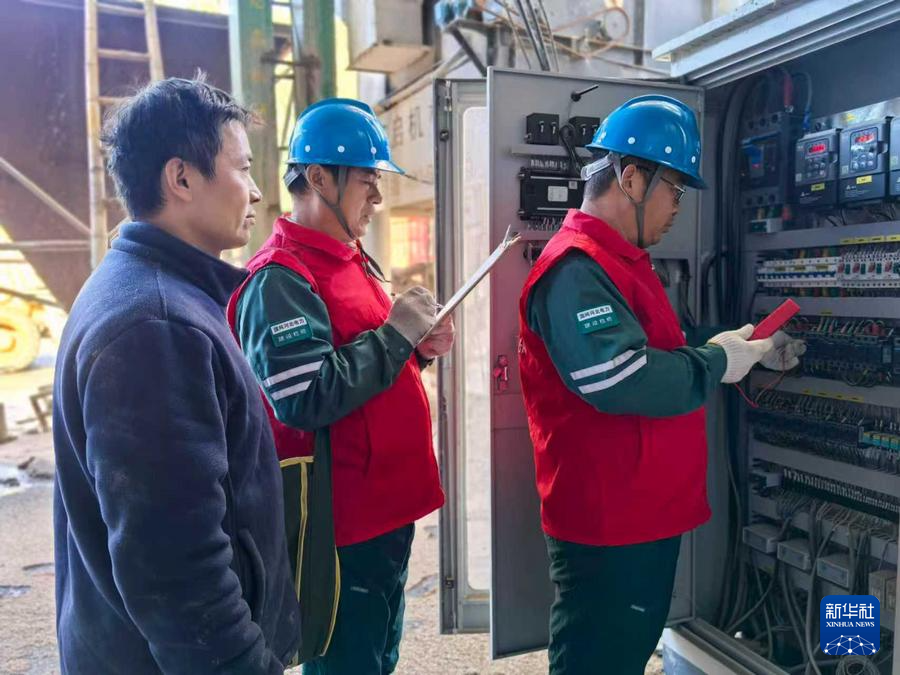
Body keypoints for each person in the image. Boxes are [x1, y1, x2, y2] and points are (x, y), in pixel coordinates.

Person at [516, 94, 805, 674]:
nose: (677, 207)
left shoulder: (618, 262)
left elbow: (659, 347)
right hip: (609, 524)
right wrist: (718, 362)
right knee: (598, 663)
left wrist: (737, 344)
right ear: (631, 178)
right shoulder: (575, 267)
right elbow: (618, 376)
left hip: (639, 515)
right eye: (675, 189)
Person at [52, 76, 300, 674]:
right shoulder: (156, 325)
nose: (257, 191)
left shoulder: (149, 292)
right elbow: (176, 569)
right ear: (181, 178)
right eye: (243, 168)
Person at [228, 98, 453, 674]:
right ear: (319, 178)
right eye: (367, 180)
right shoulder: (280, 278)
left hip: (387, 511)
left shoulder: (351, 260)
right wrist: (396, 334)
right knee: (348, 662)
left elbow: (362, 363)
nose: (377, 197)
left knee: (378, 655)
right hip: (341, 528)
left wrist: (416, 348)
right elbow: (305, 395)